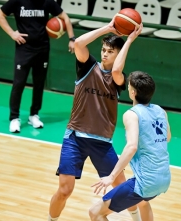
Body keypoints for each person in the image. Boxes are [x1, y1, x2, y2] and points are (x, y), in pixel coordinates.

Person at [47, 17, 143, 221]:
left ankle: (135, 218)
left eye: (111, 51)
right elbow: (79, 44)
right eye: (104, 50)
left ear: (118, 55)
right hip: (75, 138)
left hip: (102, 143)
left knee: (123, 187)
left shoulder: (118, 79)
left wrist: (129, 40)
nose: (105, 54)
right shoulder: (87, 67)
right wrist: (108, 28)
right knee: (65, 190)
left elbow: (116, 70)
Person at [90, 71, 172, 221]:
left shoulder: (131, 114)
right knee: (142, 201)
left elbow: (132, 146)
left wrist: (112, 176)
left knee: (95, 212)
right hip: (164, 179)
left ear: (133, 92)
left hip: (146, 182)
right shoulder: (160, 111)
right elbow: (167, 137)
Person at [0, 0, 75, 133]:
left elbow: (65, 17)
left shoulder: (47, 2)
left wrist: (72, 39)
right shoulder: (17, 1)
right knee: (18, 83)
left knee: (39, 84)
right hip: (24, 49)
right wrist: (12, 33)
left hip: (42, 48)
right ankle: (14, 118)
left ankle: (34, 115)